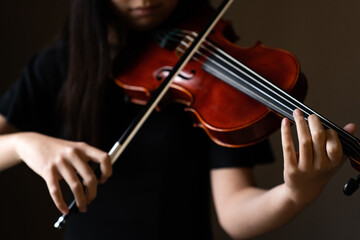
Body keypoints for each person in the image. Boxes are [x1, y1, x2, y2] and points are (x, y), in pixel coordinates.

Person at [0, 0, 356, 239]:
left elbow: (235, 213)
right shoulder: (59, 64)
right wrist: (24, 144)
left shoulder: (220, 72)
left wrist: (295, 194)